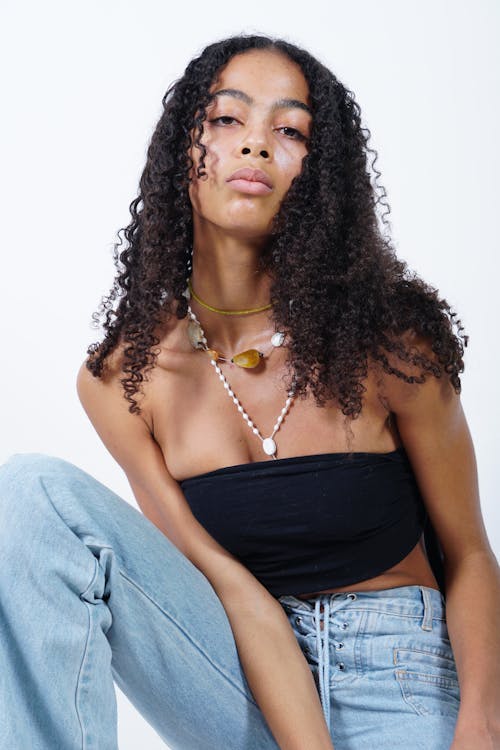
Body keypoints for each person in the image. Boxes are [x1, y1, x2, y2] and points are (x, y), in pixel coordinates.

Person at [1, 33, 499, 750]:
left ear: (317, 177)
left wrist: (482, 725)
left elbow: (472, 553)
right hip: (232, 676)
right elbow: (231, 589)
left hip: (396, 672)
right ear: (186, 151)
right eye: (228, 119)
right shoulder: (123, 380)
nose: (257, 145)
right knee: (31, 494)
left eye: (289, 130)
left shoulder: (389, 341)